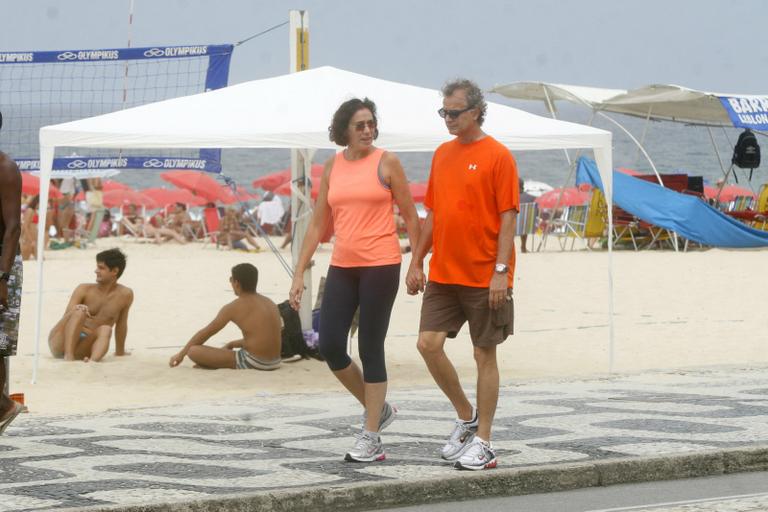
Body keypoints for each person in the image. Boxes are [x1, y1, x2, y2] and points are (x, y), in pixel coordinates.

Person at [289, 97, 421, 463]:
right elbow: (318, 223)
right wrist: (299, 271)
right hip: (343, 266)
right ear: (344, 129)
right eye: (360, 125)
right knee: (329, 345)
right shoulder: (332, 166)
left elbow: (412, 218)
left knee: (370, 346)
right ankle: (377, 409)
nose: (367, 130)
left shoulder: (387, 162)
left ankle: (371, 435)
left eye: (371, 124)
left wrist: (417, 263)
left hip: (381, 264)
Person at [406, 79, 519, 471]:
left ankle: (485, 441)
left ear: (475, 112)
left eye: (454, 113)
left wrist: (501, 272)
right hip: (444, 273)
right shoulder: (442, 154)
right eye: (444, 112)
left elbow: (508, 217)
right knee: (427, 344)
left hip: (486, 275)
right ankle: (466, 416)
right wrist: (417, 260)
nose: (448, 119)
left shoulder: (498, 156)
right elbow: (433, 213)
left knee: (482, 354)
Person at [169, 263, 281, 370]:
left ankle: (212, 365)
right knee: (219, 351)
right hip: (275, 362)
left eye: (231, 280)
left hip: (255, 362)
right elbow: (264, 337)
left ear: (237, 283)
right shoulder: (270, 302)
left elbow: (205, 333)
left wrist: (181, 355)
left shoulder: (234, 307)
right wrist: (232, 343)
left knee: (193, 351)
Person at [47, 248, 134, 362]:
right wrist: (77, 309)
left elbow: (121, 324)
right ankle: (69, 356)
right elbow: (66, 316)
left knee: (106, 329)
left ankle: (92, 361)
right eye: (97, 267)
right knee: (79, 311)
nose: (96, 271)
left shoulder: (125, 294)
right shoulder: (83, 289)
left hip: (85, 346)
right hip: (61, 341)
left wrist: (120, 352)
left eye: (101, 268)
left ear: (114, 271)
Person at [0, 134, 24, 434]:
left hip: (2, 263)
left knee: (0, 346)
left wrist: (2, 277)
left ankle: (4, 406)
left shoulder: (5, 168)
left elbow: (13, 227)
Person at [20, 195, 39, 261]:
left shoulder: (34, 211)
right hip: (29, 238)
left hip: (33, 238)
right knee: (25, 259)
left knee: (39, 258)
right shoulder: (30, 210)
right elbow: (25, 226)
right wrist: (31, 240)